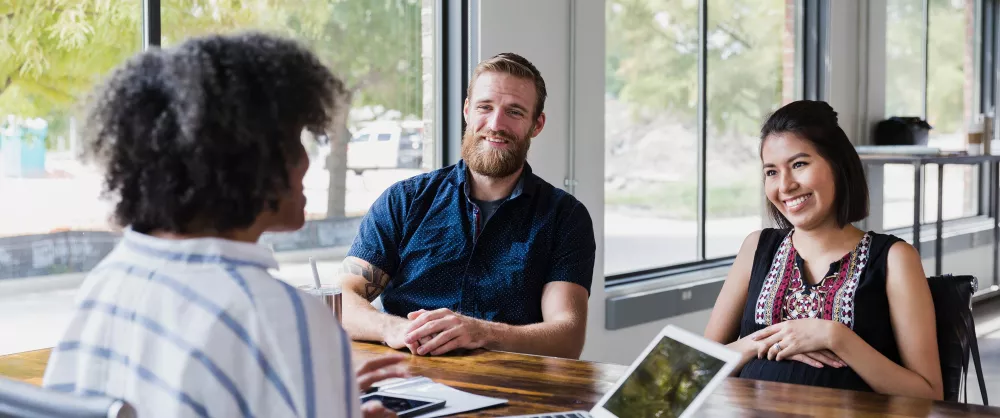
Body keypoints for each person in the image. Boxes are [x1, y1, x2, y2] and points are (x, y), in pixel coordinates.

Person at [42, 32, 406, 418]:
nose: (305, 160)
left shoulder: (108, 281)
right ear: (251, 160)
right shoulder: (279, 316)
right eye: (295, 141)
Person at [340, 52, 596, 359]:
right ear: (467, 111)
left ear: (536, 125)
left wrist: (482, 332)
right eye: (485, 107)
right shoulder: (404, 200)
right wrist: (392, 329)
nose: (495, 124)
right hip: (407, 384)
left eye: (514, 112)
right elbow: (342, 300)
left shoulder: (565, 217)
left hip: (510, 392)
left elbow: (567, 337)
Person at [704, 100, 944, 400]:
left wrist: (836, 337)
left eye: (799, 164)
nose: (785, 185)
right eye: (771, 172)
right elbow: (700, 366)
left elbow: (929, 395)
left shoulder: (895, 258)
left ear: (838, 165)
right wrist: (758, 342)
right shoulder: (756, 247)